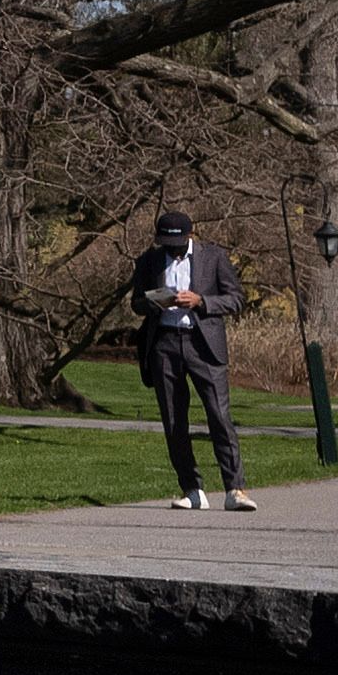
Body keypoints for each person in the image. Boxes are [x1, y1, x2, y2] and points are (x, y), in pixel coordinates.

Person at [129, 209, 257, 512]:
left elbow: (236, 298)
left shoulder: (213, 258)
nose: (171, 249)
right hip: (164, 344)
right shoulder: (149, 260)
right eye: (165, 242)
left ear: (191, 234)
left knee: (219, 416)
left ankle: (235, 489)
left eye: (176, 242)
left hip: (204, 346)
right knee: (174, 421)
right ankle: (192, 489)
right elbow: (136, 303)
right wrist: (159, 299)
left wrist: (201, 301)